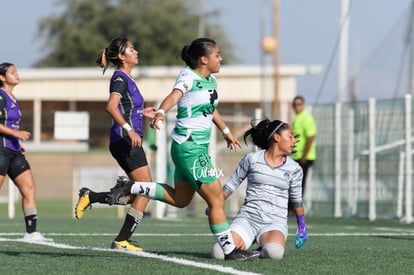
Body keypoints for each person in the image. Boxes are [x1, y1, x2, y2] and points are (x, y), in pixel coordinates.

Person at [108, 38, 260, 261]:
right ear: (204, 59)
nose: (221, 59)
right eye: (217, 55)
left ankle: (132, 186)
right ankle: (230, 251)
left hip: (191, 149)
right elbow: (173, 96)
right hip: (190, 149)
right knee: (216, 199)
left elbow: (211, 109)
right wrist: (161, 112)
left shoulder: (211, 81)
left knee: (180, 200)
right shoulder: (188, 76)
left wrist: (226, 131)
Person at [74, 36, 156, 251]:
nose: (136, 51)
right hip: (125, 140)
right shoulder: (120, 78)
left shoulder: (128, 78)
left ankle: (91, 196)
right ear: (121, 56)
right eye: (131, 49)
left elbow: (127, 108)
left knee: (141, 192)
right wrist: (129, 129)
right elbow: (111, 107)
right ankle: (121, 240)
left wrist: (142, 112)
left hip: (127, 140)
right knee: (147, 190)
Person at [210, 118, 308, 260]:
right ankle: (244, 249)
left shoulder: (295, 168)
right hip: (247, 218)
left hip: (275, 222)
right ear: (277, 137)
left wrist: (302, 227)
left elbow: (297, 200)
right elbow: (232, 183)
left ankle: (257, 251)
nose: (294, 141)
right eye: (290, 136)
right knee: (218, 252)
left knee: (274, 253)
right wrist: (217, 202)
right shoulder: (252, 159)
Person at [0, 62, 52, 242]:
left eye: (17, 71)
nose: (16, 74)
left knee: (29, 188)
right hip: (1, 150)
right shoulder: (0, 96)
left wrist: (16, 141)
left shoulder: (13, 98)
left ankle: (31, 233)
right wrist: (15, 133)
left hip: (14, 150)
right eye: (12, 72)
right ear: (2, 77)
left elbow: (10, 124)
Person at [291, 95, 316, 197]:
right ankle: (291, 207)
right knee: (293, 183)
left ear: (303, 105)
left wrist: (304, 156)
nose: (297, 106)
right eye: (295, 104)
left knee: (299, 183)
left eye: (299, 104)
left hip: (304, 157)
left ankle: (296, 207)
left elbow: (310, 137)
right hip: (296, 156)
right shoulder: (296, 119)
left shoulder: (307, 118)